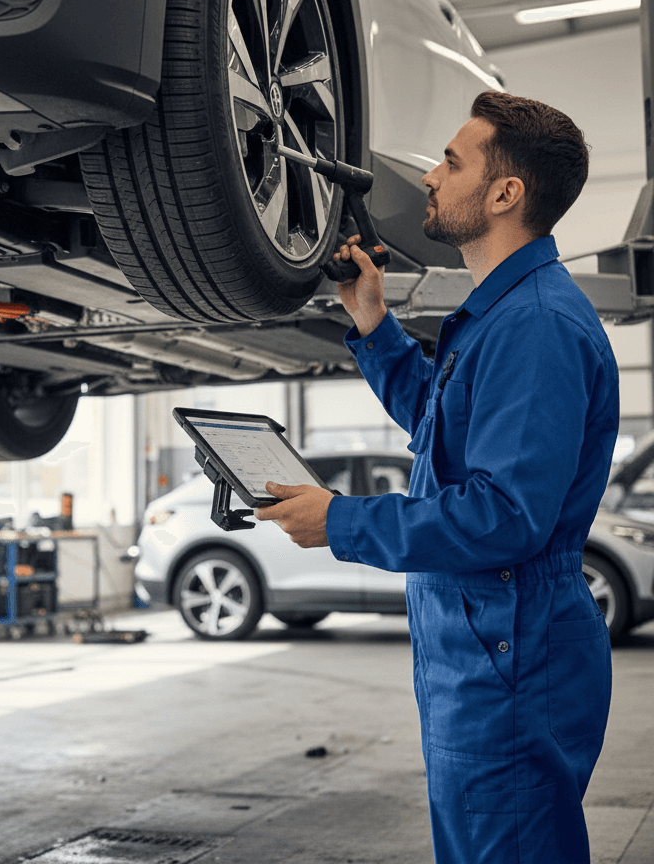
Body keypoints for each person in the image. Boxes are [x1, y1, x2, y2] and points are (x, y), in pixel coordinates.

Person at [255, 91, 619, 863]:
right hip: (486, 644)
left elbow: (504, 515)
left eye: (453, 161)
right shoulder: (505, 315)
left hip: (509, 652)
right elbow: (441, 431)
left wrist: (343, 522)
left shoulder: (537, 327)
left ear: (504, 194)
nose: (429, 175)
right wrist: (373, 324)